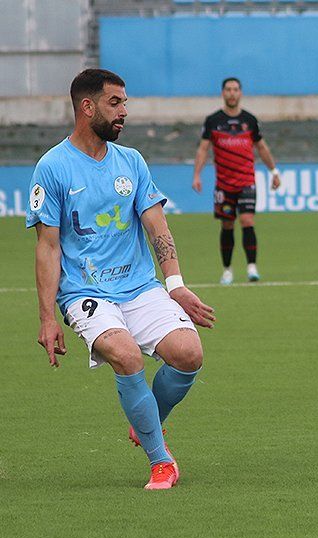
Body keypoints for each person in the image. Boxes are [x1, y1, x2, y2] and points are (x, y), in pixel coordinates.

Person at [28, 69, 215, 490]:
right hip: (84, 292)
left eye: (125, 103)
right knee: (126, 356)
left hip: (139, 286)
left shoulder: (131, 161)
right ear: (87, 107)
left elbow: (157, 228)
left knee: (189, 354)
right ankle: (161, 460)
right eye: (116, 103)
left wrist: (176, 285)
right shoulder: (53, 167)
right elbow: (48, 247)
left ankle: (146, 421)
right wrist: (46, 318)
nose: (124, 112)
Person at [192, 77, 281, 285]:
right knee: (227, 225)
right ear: (223, 93)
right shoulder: (213, 120)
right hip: (224, 184)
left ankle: (252, 267)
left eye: (235, 89)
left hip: (246, 181)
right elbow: (203, 148)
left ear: (240, 93)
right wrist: (197, 174)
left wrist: (274, 171)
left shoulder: (249, 120)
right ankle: (227, 270)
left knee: (248, 221)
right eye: (228, 89)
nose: (232, 93)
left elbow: (262, 147)